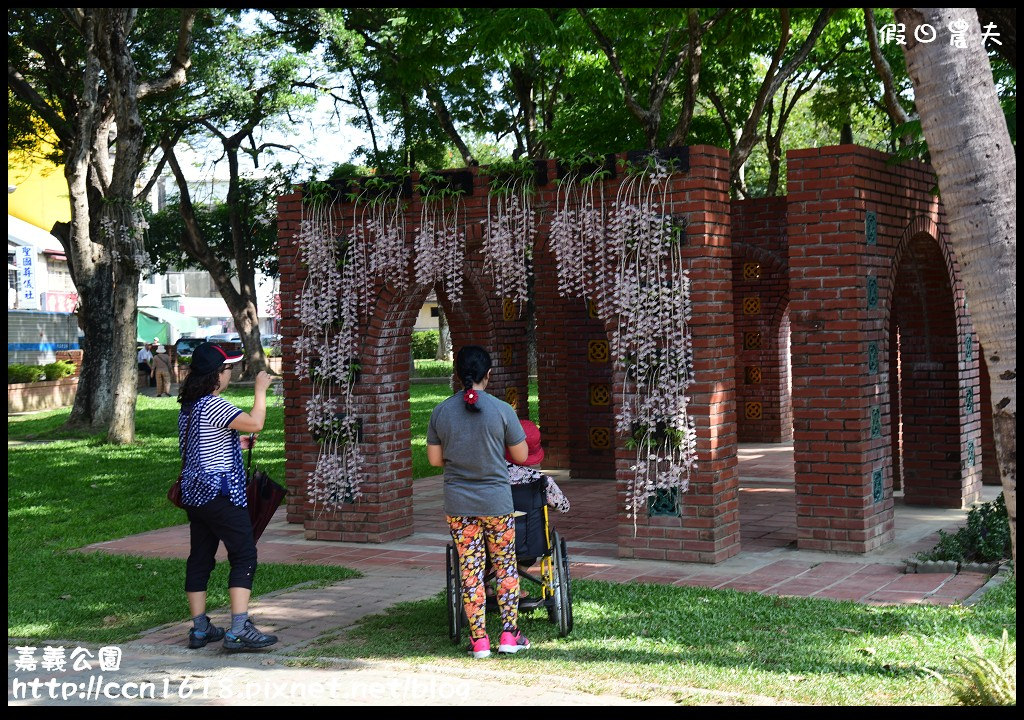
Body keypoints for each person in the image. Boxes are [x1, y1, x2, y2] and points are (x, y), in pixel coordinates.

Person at [427, 345, 530, 659]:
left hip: (459, 505)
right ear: (488, 374)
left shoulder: (441, 411)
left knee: (471, 572)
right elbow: (522, 456)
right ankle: (510, 635)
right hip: (497, 503)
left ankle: (480, 641)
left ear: (457, 374)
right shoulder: (501, 410)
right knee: (505, 567)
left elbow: (434, 460)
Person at [177, 342, 277, 651]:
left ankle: (200, 628)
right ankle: (238, 629)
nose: (231, 373)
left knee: (201, 558)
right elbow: (257, 422)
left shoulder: (191, 405)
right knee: (244, 554)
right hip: (219, 495)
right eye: (229, 368)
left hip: (195, 495)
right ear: (217, 374)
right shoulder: (215, 404)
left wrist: (238, 444)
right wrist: (261, 390)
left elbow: (201, 444)